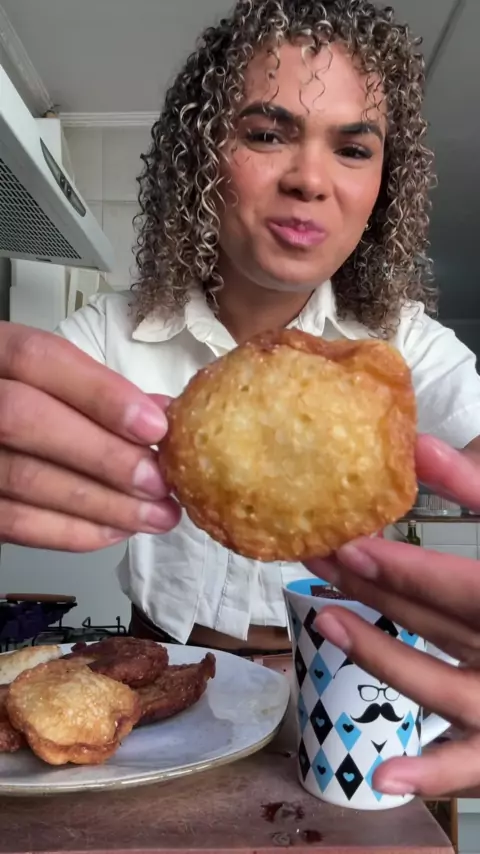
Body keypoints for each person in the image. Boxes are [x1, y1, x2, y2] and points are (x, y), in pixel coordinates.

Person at [0, 0, 479, 794]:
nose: (310, 179)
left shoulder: (400, 352)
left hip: (346, 688)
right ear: (200, 155)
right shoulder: (108, 336)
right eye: (266, 134)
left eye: (353, 148)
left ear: (384, 184)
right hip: (156, 691)